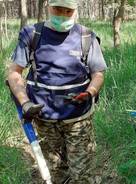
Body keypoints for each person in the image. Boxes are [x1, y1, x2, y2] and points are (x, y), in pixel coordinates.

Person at [7, 0, 107, 183]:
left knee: (82, 174)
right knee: (54, 171)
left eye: (67, 11)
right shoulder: (32, 34)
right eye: (57, 9)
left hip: (78, 118)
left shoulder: (86, 36)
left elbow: (98, 73)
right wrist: (25, 102)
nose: (62, 14)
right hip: (44, 117)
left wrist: (90, 92)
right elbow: (14, 73)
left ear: (75, 10)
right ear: (48, 7)